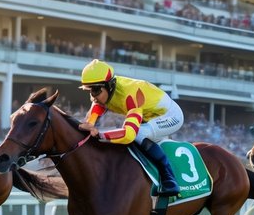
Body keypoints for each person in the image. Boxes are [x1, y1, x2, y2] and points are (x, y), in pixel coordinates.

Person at [77, 59, 183, 197]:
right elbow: (98, 105)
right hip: (149, 116)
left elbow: (129, 135)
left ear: (109, 86)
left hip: (170, 116)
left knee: (137, 134)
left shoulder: (130, 95)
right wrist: (90, 122)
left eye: (96, 90)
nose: (93, 96)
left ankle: (169, 179)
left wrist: (101, 135)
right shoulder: (105, 92)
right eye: (90, 91)